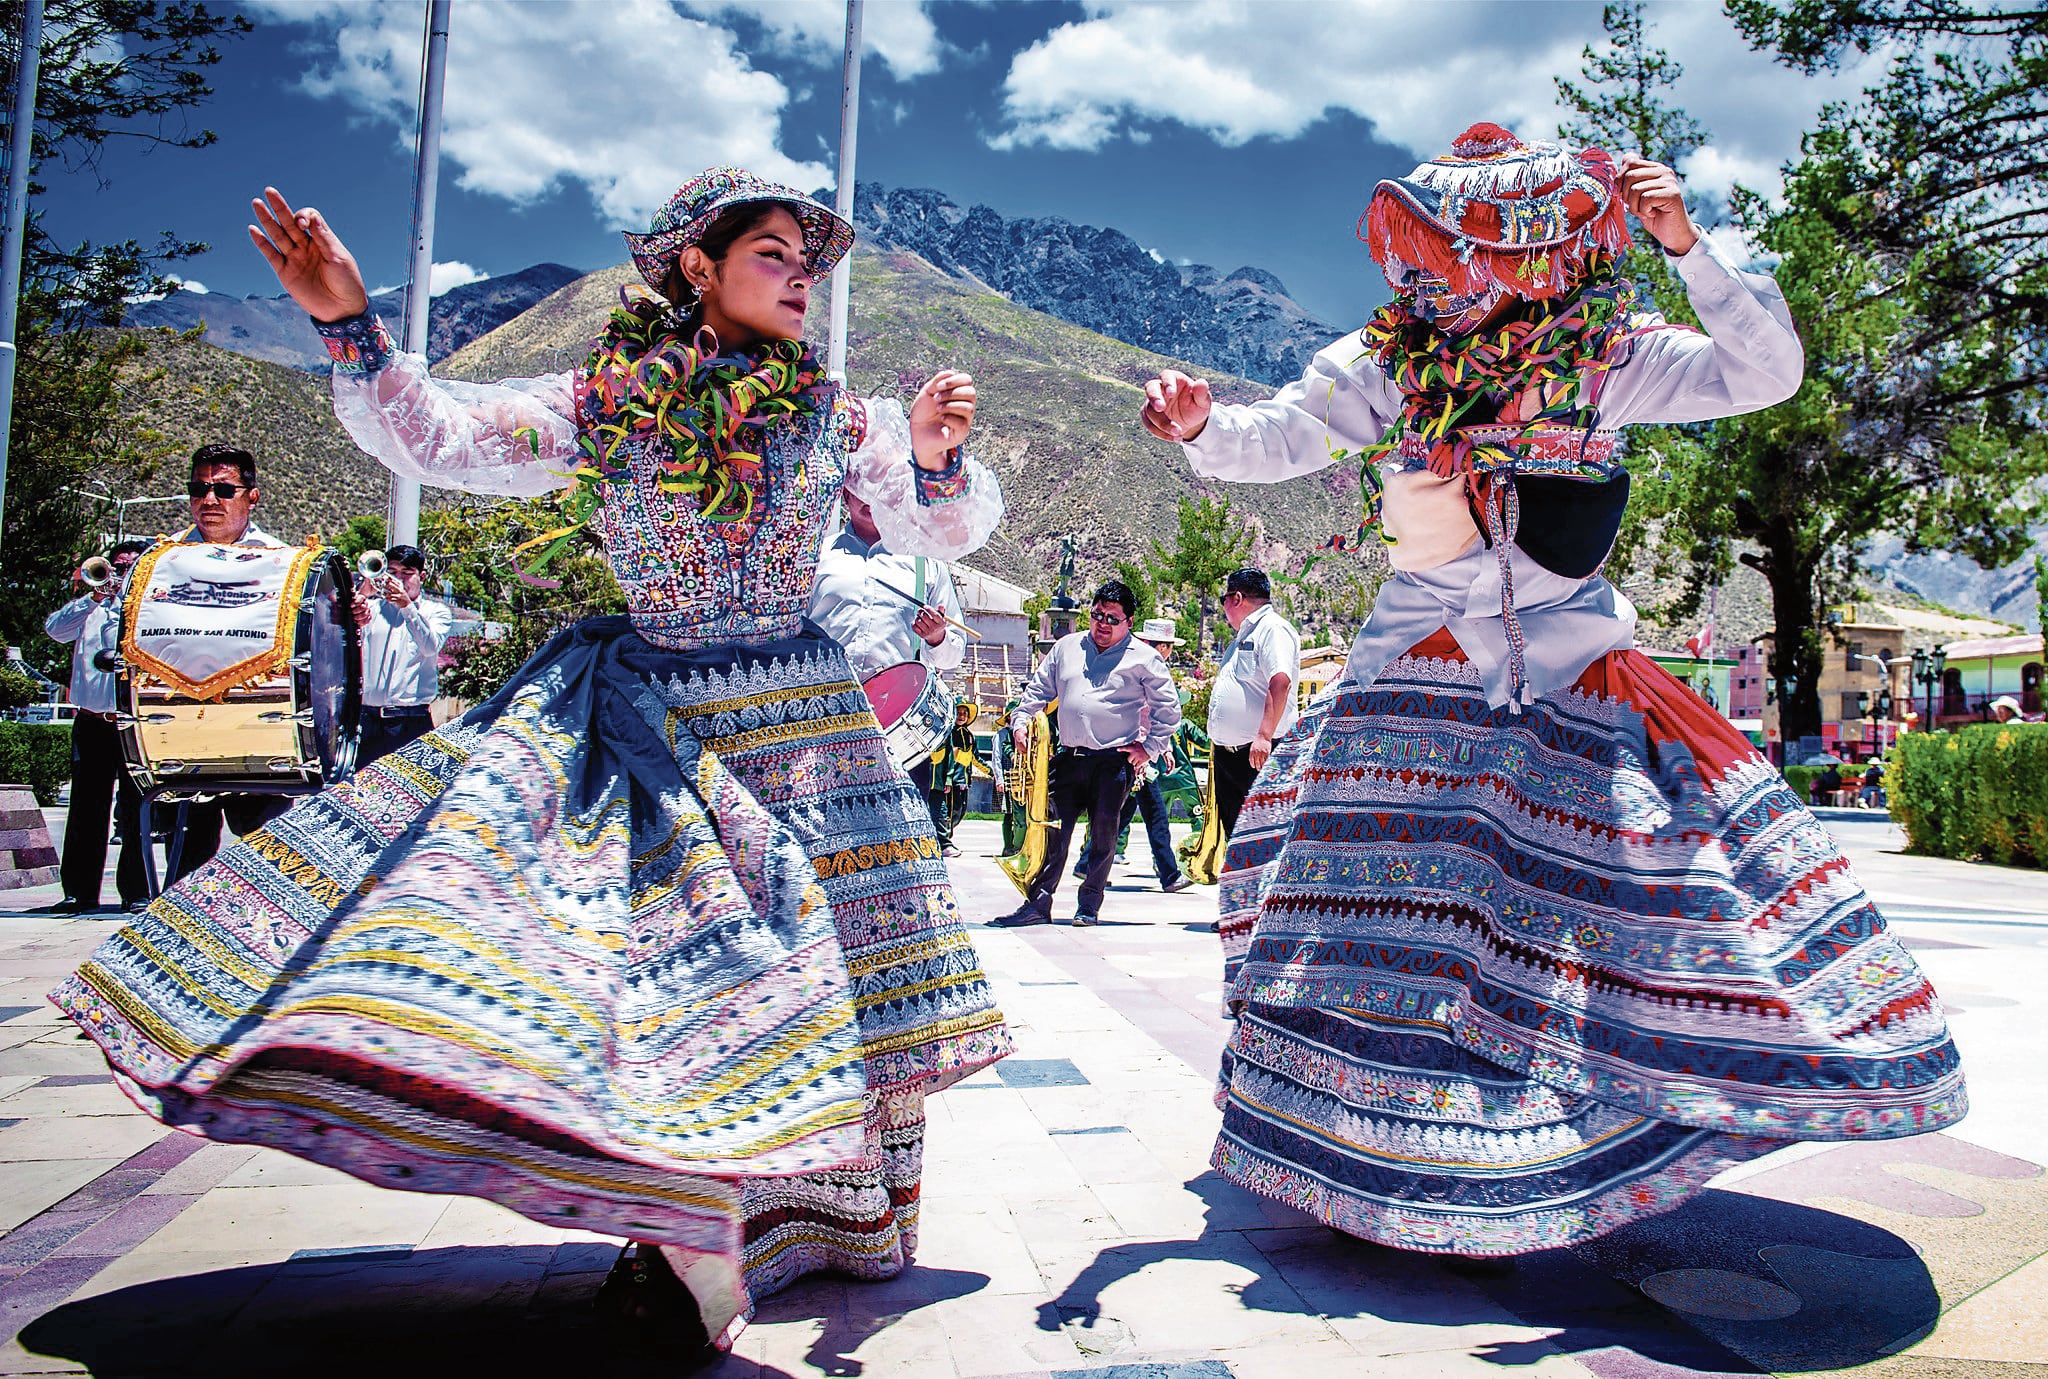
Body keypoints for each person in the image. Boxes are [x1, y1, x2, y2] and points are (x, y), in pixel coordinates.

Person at [53, 168, 1011, 1356]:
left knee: (831, 977)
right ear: (697, 267)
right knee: (672, 983)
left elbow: (932, 531)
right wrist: (349, 325)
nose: (800, 276)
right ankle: (684, 1228)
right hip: (661, 727)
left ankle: (810, 1222)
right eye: (772, 251)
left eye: (806, 260)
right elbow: (444, 435)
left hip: (808, 735)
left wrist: (933, 456)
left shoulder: (839, 415)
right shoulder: (603, 401)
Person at [1140, 124, 1962, 1258]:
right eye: (1428, 256)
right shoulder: (1387, 359)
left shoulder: (1609, 354)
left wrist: (1687, 247)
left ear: (1530, 254)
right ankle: (1371, 1150)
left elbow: (1764, 373)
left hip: (1567, 669)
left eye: (1461, 253)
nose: (1437, 279)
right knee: (1349, 891)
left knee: (1623, 899)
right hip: (1410, 666)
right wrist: (1200, 426)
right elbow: (1282, 432)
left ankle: (1568, 1136)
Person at [993, 580, 1180, 927]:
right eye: (1097, 615)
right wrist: (1020, 721)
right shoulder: (1067, 647)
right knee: (1052, 832)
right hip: (1068, 758)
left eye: (1112, 618)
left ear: (1129, 622)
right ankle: (1038, 904)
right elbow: (1038, 690)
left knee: (1103, 838)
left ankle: (1089, 907)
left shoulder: (1145, 658)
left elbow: (1168, 710)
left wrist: (1149, 747)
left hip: (1113, 762)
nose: (1102, 624)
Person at [158, 445, 293, 881]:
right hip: (184, 724)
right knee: (186, 853)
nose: (209, 500)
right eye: (199, 489)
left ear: (252, 496)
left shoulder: (283, 561)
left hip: (255, 724)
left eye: (223, 490)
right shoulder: (163, 559)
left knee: (267, 848)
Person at [807, 485, 967, 851]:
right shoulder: (817, 557)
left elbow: (953, 656)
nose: (869, 499)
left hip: (899, 735)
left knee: (901, 844)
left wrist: (938, 638)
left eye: (878, 489)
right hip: (825, 723)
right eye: (860, 489)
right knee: (825, 839)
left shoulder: (925, 563)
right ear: (844, 495)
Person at [41, 540, 151, 914]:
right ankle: (79, 893)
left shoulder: (150, 609)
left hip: (134, 722)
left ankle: (136, 891)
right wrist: (95, 597)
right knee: (86, 809)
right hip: (91, 721)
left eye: (130, 566)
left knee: (137, 810)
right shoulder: (92, 607)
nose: (120, 573)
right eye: (117, 566)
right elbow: (56, 631)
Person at [1073, 616, 1194, 894]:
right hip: (1136, 754)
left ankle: (1087, 863)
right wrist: (1152, 749)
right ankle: (1169, 874)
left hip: (1134, 750)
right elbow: (1145, 716)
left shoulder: (1132, 664)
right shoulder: (1147, 669)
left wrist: (1162, 748)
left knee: (1121, 813)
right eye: (1168, 646)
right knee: (1155, 816)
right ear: (1161, 646)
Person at [1205, 569, 1299, 839]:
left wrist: (1264, 735)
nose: (1223, 607)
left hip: (1257, 754)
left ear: (1236, 598)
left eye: (1223, 599)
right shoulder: (1244, 636)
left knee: (1264, 834)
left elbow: (1280, 681)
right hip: (1230, 755)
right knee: (1236, 838)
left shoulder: (1272, 628)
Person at [352, 543, 453, 769]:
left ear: (421, 577)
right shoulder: (371, 608)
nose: (398, 579)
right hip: (368, 722)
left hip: (411, 722)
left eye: (407, 573)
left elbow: (430, 647)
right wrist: (362, 594)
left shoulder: (436, 612)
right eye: (393, 572)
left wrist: (407, 606)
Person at [927, 702, 991, 856]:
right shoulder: (948, 733)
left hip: (963, 781)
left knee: (959, 812)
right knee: (946, 813)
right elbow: (949, 757)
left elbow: (975, 758)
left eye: (964, 714)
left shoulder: (969, 736)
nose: (961, 716)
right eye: (959, 713)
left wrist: (990, 772)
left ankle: (943, 839)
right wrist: (948, 777)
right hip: (951, 781)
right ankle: (944, 842)